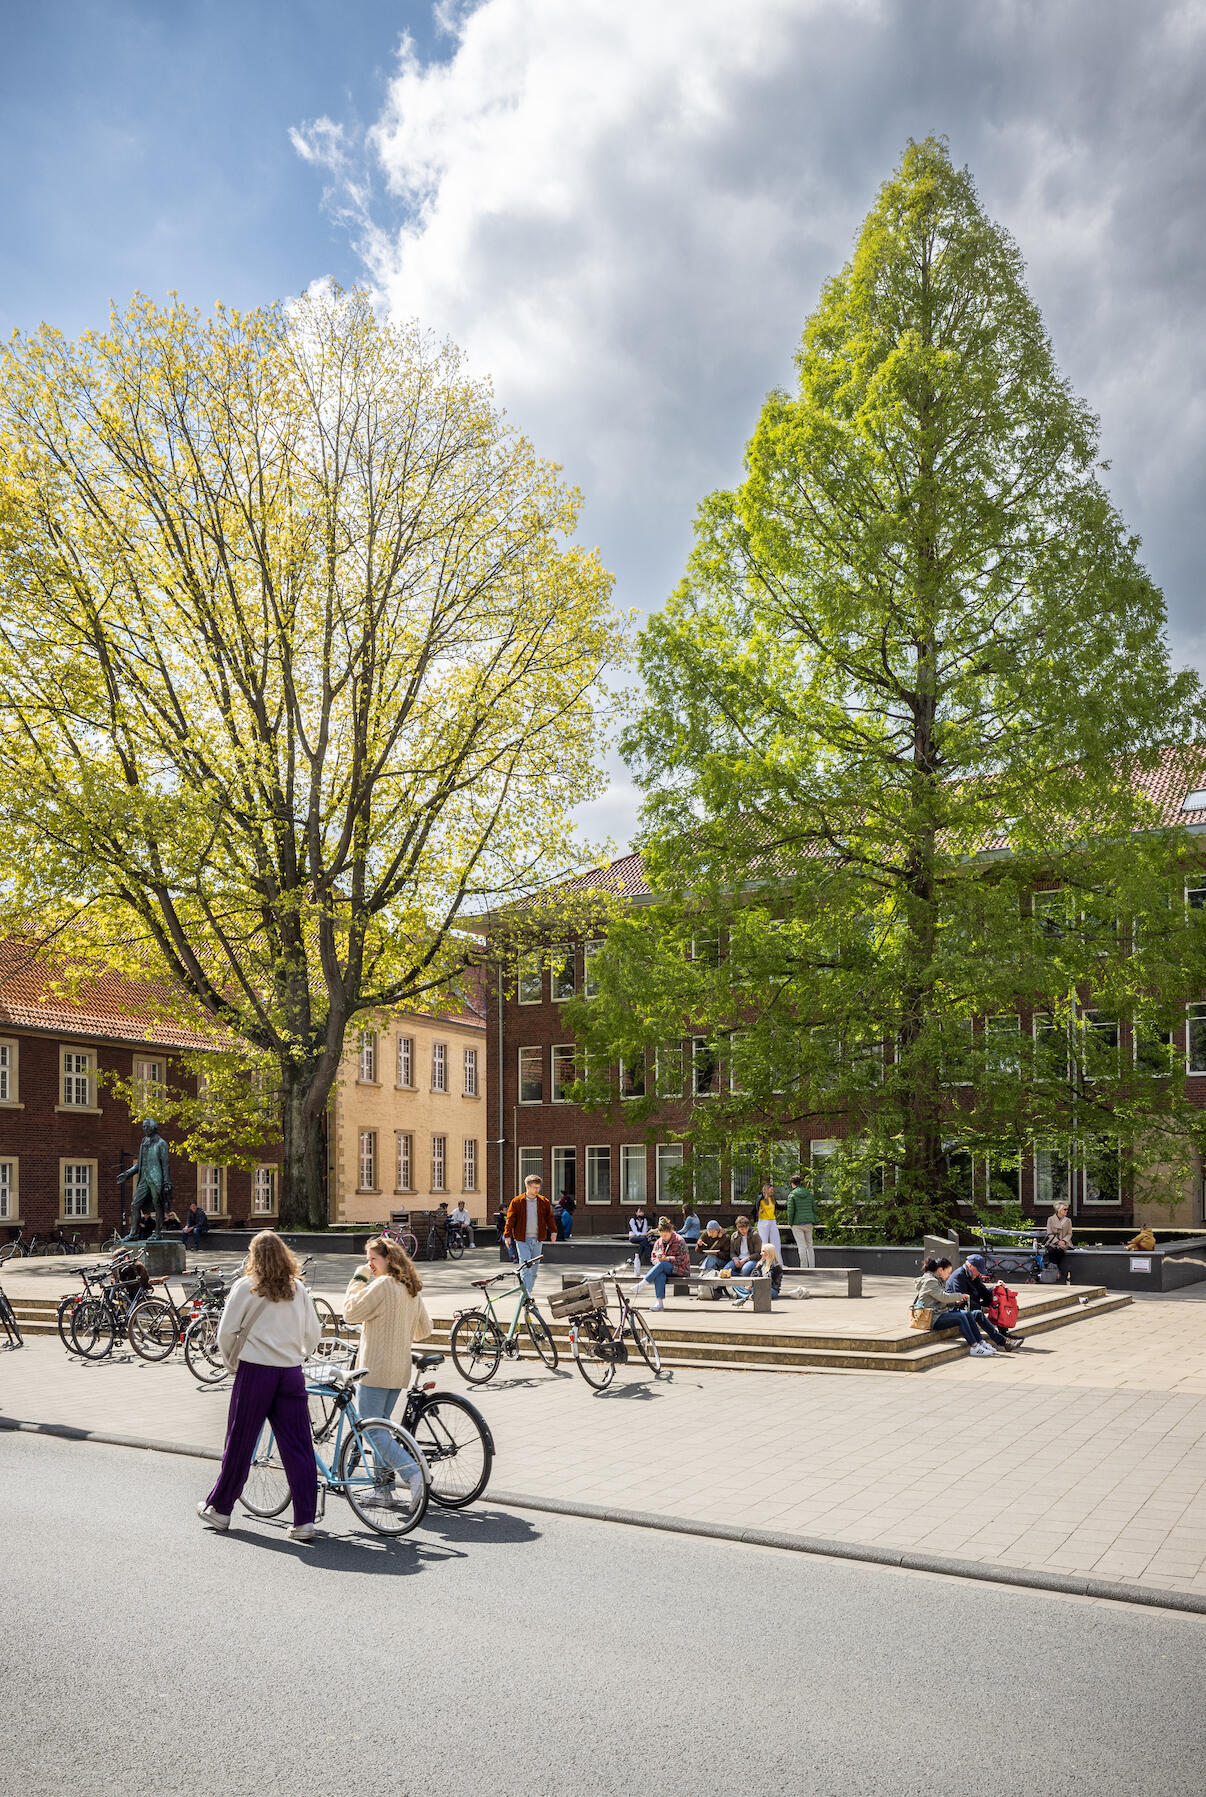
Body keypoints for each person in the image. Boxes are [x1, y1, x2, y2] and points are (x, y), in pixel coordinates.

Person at [197, 1230, 323, 1542]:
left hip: (256, 1371)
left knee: (240, 1442)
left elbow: (226, 1332)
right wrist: (296, 1351)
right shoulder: (299, 1290)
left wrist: (232, 1362)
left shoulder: (245, 1287)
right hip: (291, 1372)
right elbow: (314, 1336)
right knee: (299, 1447)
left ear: (255, 1257)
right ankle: (305, 1520)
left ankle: (221, 1508)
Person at [342, 1235, 434, 1505]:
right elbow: (424, 1329)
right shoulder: (410, 1287)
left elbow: (349, 1313)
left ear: (388, 1260)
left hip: (374, 1369)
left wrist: (358, 1279)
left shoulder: (381, 1285)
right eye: (366, 1260)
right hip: (398, 1370)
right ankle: (383, 1490)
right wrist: (399, 1327)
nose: (368, 1264)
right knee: (381, 1428)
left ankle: (413, 1472)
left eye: (373, 1259)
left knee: (371, 1430)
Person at [912, 1257, 995, 1355]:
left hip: (938, 1313)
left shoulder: (937, 1280)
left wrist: (955, 1303)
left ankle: (980, 1342)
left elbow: (940, 1300)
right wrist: (960, 1296)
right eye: (948, 1272)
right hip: (930, 1318)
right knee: (961, 1317)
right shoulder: (930, 1281)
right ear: (940, 1270)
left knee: (967, 1313)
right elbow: (943, 1297)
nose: (949, 1275)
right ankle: (974, 1347)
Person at [943, 1253, 1023, 1351]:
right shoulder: (959, 1276)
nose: (979, 1273)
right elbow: (963, 1300)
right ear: (970, 1266)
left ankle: (1004, 1333)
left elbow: (984, 1292)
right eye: (978, 1270)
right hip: (958, 1307)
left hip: (971, 1303)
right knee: (978, 1313)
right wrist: (981, 1308)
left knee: (1000, 1302)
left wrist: (997, 1289)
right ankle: (1004, 1341)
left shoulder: (974, 1275)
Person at [503, 1174, 555, 1293]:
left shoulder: (543, 1201)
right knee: (526, 1266)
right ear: (527, 1186)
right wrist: (507, 1236)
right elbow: (510, 1219)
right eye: (534, 1187)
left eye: (538, 1187)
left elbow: (550, 1218)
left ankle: (528, 1292)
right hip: (522, 1239)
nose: (537, 1190)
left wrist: (553, 1232)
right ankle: (526, 1295)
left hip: (538, 1239)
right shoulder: (517, 1201)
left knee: (534, 1269)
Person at [630, 1216, 690, 1311]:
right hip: (663, 1268)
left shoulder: (679, 1240)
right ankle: (659, 1303)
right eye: (661, 1235)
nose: (663, 1238)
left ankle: (642, 1284)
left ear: (670, 1232)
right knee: (659, 1274)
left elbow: (684, 1259)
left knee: (662, 1265)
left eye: (665, 1235)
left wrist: (668, 1259)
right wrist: (657, 1260)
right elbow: (653, 1257)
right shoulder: (659, 1241)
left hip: (681, 1269)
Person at [732, 1240, 786, 1305]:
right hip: (756, 1287)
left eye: (763, 1251)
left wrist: (753, 1286)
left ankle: (742, 1294)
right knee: (735, 1285)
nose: (761, 1254)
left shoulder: (776, 1266)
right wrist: (749, 1285)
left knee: (758, 1290)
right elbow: (753, 1276)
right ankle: (749, 1296)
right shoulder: (760, 1264)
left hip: (770, 1289)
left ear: (769, 1252)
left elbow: (768, 1281)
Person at [723, 1216, 760, 1301]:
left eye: (746, 1228)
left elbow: (758, 1254)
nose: (744, 1231)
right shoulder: (734, 1236)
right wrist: (735, 1259)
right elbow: (732, 1252)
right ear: (737, 1227)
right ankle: (742, 1291)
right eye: (742, 1229)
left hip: (751, 1259)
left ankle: (741, 1292)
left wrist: (745, 1259)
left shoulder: (755, 1235)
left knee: (745, 1269)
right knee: (726, 1271)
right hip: (738, 1258)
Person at [787, 1172, 817, 1269]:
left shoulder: (792, 1195)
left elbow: (790, 1211)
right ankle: (812, 1267)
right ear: (800, 1183)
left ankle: (804, 1268)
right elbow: (814, 1208)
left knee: (801, 1246)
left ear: (792, 1184)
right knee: (809, 1245)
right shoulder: (809, 1194)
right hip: (809, 1222)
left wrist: (790, 1223)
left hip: (797, 1223)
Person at [696, 1220, 732, 1299]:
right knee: (711, 1259)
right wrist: (699, 1245)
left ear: (717, 1230)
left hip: (722, 1260)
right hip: (710, 1261)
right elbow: (698, 1251)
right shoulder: (705, 1235)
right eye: (709, 1231)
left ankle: (702, 1272)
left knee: (711, 1257)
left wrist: (717, 1254)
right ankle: (708, 1286)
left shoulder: (725, 1237)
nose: (711, 1234)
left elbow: (728, 1255)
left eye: (713, 1232)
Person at [1045, 1203, 1073, 1280]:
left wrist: (1064, 1241)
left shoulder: (1068, 1220)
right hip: (1053, 1241)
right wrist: (1057, 1242)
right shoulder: (1050, 1219)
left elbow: (1069, 1233)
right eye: (1065, 1209)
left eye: (1067, 1209)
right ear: (1059, 1210)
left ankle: (1054, 1269)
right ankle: (1057, 1269)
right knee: (1051, 1250)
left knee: (1060, 1251)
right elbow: (1049, 1233)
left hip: (1065, 1242)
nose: (1066, 1211)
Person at [756, 1182, 783, 1261]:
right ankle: (763, 1261)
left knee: (776, 1242)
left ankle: (779, 1262)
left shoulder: (772, 1199)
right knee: (763, 1242)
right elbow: (756, 1207)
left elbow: (779, 1207)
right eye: (771, 1190)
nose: (772, 1191)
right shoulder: (761, 1198)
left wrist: (789, 1205)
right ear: (766, 1190)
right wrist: (759, 1211)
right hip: (763, 1221)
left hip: (772, 1221)